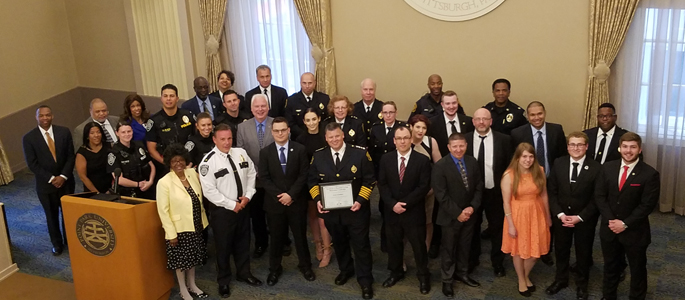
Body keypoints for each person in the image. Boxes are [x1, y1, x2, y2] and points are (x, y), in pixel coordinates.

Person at [308, 122, 376, 299]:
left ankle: (365, 279)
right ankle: (346, 270)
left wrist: (361, 200)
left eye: (337, 136)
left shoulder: (360, 153)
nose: (334, 140)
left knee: (361, 245)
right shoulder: (319, 156)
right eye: (330, 137)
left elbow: (369, 180)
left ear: (343, 135)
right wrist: (318, 200)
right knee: (339, 242)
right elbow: (312, 181)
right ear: (326, 138)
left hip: (356, 210)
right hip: (332, 212)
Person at [199, 124, 263, 297]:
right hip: (223, 211)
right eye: (222, 139)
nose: (227, 143)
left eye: (229, 139)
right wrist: (231, 204)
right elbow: (209, 191)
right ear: (214, 140)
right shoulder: (208, 163)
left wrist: (248, 195)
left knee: (243, 242)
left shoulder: (240, 153)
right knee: (223, 246)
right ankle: (224, 281)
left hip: (243, 205)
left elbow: (251, 173)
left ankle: (244, 273)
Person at [595, 132, 659, 300]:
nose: (628, 151)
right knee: (610, 266)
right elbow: (600, 196)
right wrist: (611, 220)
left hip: (635, 231)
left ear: (640, 149)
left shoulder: (649, 174)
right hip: (609, 229)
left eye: (633, 147)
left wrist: (624, 223)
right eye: (625, 147)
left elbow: (647, 205)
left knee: (637, 269)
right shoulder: (607, 168)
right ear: (619, 148)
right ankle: (608, 296)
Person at [258, 117, 315, 285]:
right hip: (275, 204)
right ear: (272, 132)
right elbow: (264, 178)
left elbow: (304, 175)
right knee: (276, 239)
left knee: (300, 237)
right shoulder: (265, 152)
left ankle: (305, 266)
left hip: (296, 201)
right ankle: (275, 269)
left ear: (289, 130)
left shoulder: (300, 149)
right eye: (276, 130)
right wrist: (281, 196)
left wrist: (291, 195)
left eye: (283, 130)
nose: (280, 133)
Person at [545, 131, 601, 300]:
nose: (576, 148)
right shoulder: (559, 163)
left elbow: (597, 198)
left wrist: (580, 217)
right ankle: (561, 279)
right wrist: (560, 214)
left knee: (583, 253)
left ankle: (582, 285)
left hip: (584, 219)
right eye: (572, 144)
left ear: (586, 147)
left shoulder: (597, 168)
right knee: (561, 250)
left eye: (580, 145)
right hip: (561, 217)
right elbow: (552, 191)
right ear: (567, 146)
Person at [510, 101, 567, 265]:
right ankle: (529, 247)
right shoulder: (517, 133)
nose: (536, 117)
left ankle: (546, 249)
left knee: (551, 217)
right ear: (528, 116)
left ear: (545, 113)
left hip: (552, 181)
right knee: (532, 218)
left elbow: (562, 157)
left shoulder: (556, 130)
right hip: (529, 183)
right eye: (533, 115)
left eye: (539, 114)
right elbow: (514, 160)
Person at [378, 126, 432, 294]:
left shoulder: (422, 160)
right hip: (392, 211)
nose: (402, 141)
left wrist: (405, 204)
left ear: (411, 140)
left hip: (413, 212)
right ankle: (396, 273)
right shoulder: (386, 159)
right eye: (399, 138)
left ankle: (423, 276)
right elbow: (382, 184)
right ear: (394, 141)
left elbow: (423, 187)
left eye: (406, 138)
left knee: (418, 246)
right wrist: (393, 204)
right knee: (394, 245)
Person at [432, 133, 483, 297]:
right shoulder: (440, 166)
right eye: (455, 146)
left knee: (465, 246)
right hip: (450, 217)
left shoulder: (472, 162)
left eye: (461, 146)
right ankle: (447, 280)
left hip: (469, 215)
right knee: (448, 249)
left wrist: (472, 208)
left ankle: (462, 273)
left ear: (466, 145)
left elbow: (479, 187)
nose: (458, 149)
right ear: (448, 147)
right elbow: (441, 195)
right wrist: (458, 213)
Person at [156, 144, 209, 300]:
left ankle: (192, 285)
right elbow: (163, 211)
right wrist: (171, 233)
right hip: (179, 229)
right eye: (174, 161)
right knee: (181, 262)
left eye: (181, 160)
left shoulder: (192, 173)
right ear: (169, 163)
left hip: (195, 224)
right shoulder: (164, 182)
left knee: (192, 258)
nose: (178, 164)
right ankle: (183, 289)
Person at [466, 108, 513, 277]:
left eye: (484, 119)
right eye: (477, 119)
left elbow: (510, 166)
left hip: (496, 192)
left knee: (497, 228)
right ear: (473, 121)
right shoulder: (465, 140)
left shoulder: (504, 140)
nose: (481, 122)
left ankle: (498, 261)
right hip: (472, 194)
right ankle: (473, 259)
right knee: (472, 227)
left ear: (490, 121)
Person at [22, 105, 75, 256]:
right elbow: (32, 164)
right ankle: (57, 244)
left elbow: (71, 156)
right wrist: (52, 179)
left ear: (52, 116)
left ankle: (70, 242)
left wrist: (63, 176)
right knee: (51, 216)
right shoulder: (29, 138)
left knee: (67, 214)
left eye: (47, 115)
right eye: (41, 116)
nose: (45, 118)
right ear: (36, 117)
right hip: (46, 186)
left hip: (66, 182)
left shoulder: (63, 132)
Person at [236, 94, 284, 258]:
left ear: (268, 107)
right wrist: (256, 170)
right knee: (257, 215)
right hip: (253, 180)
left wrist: (267, 172)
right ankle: (261, 243)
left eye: (263, 106)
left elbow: (283, 148)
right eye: (256, 106)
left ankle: (282, 242)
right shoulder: (242, 128)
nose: (260, 109)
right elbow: (241, 153)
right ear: (251, 108)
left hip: (275, 179)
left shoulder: (277, 124)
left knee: (277, 214)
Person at [501, 143, 552, 297]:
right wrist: (510, 224)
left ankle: (525, 274)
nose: (528, 160)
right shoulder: (508, 175)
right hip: (517, 215)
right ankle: (522, 280)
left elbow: (544, 195)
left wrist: (548, 216)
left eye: (531, 156)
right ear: (517, 158)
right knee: (518, 249)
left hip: (536, 213)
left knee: (535, 252)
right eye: (524, 156)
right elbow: (506, 202)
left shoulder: (539, 171)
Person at [295, 108, 334, 268]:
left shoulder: (325, 137)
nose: (311, 123)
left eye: (314, 119)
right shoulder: (300, 139)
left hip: (325, 181)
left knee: (323, 218)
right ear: (304, 122)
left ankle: (327, 249)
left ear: (319, 119)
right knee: (312, 216)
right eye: (308, 120)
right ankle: (317, 243)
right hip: (309, 182)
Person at [368, 101, 407, 252]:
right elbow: (371, 153)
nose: (388, 115)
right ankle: (385, 241)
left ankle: (400, 239)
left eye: (391, 112)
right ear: (381, 114)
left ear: (396, 113)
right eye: (385, 113)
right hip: (381, 174)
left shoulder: (402, 129)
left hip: (398, 172)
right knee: (384, 207)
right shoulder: (375, 129)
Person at [408, 114, 442, 256]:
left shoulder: (430, 142)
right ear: (411, 127)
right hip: (408, 192)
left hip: (428, 191)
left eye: (424, 128)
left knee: (428, 221)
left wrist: (433, 187)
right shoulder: (404, 141)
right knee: (408, 224)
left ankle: (426, 250)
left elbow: (439, 167)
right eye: (417, 127)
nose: (420, 131)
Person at [147, 84, 196, 176]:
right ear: (161, 98)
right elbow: (152, 150)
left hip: (189, 165)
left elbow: (196, 138)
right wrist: (169, 164)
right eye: (165, 96)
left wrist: (189, 162)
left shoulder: (188, 115)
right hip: (166, 168)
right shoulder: (154, 121)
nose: (168, 99)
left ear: (177, 98)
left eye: (172, 96)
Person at [108, 121, 156, 199]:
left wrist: (150, 181)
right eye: (123, 132)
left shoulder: (139, 145)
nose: (127, 134)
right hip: (128, 193)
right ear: (117, 133)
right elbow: (119, 179)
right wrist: (137, 184)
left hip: (147, 187)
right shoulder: (113, 152)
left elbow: (151, 165)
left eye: (129, 131)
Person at [285, 72, 330, 140]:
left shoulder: (324, 99)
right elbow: (290, 123)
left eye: (310, 83)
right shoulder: (292, 100)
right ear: (300, 83)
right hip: (299, 139)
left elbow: (328, 119)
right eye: (304, 83)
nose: (307, 86)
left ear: (315, 83)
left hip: (321, 137)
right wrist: (306, 134)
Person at [429, 90, 474, 158]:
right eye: (448, 104)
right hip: (443, 163)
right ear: (442, 105)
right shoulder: (433, 123)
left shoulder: (468, 121)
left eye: (454, 103)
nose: (451, 106)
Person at [75, 122, 111, 193]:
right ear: (87, 136)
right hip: (92, 191)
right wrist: (97, 193)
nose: (96, 135)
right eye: (92, 133)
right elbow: (83, 177)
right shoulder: (82, 153)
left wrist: (111, 189)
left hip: (111, 189)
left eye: (98, 132)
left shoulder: (109, 147)